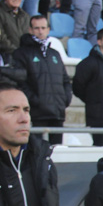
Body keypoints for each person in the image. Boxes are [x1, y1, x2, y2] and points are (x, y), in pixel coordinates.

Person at [12, 15, 71, 144]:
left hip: (57, 112)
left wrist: (65, 99)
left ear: (48, 30)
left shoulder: (54, 53)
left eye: (43, 28)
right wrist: (35, 101)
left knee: (57, 150)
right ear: (30, 30)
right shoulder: (21, 53)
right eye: (36, 28)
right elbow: (21, 83)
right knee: (37, 151)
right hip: (37, 113)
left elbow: (65, 80)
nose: (40, 31)